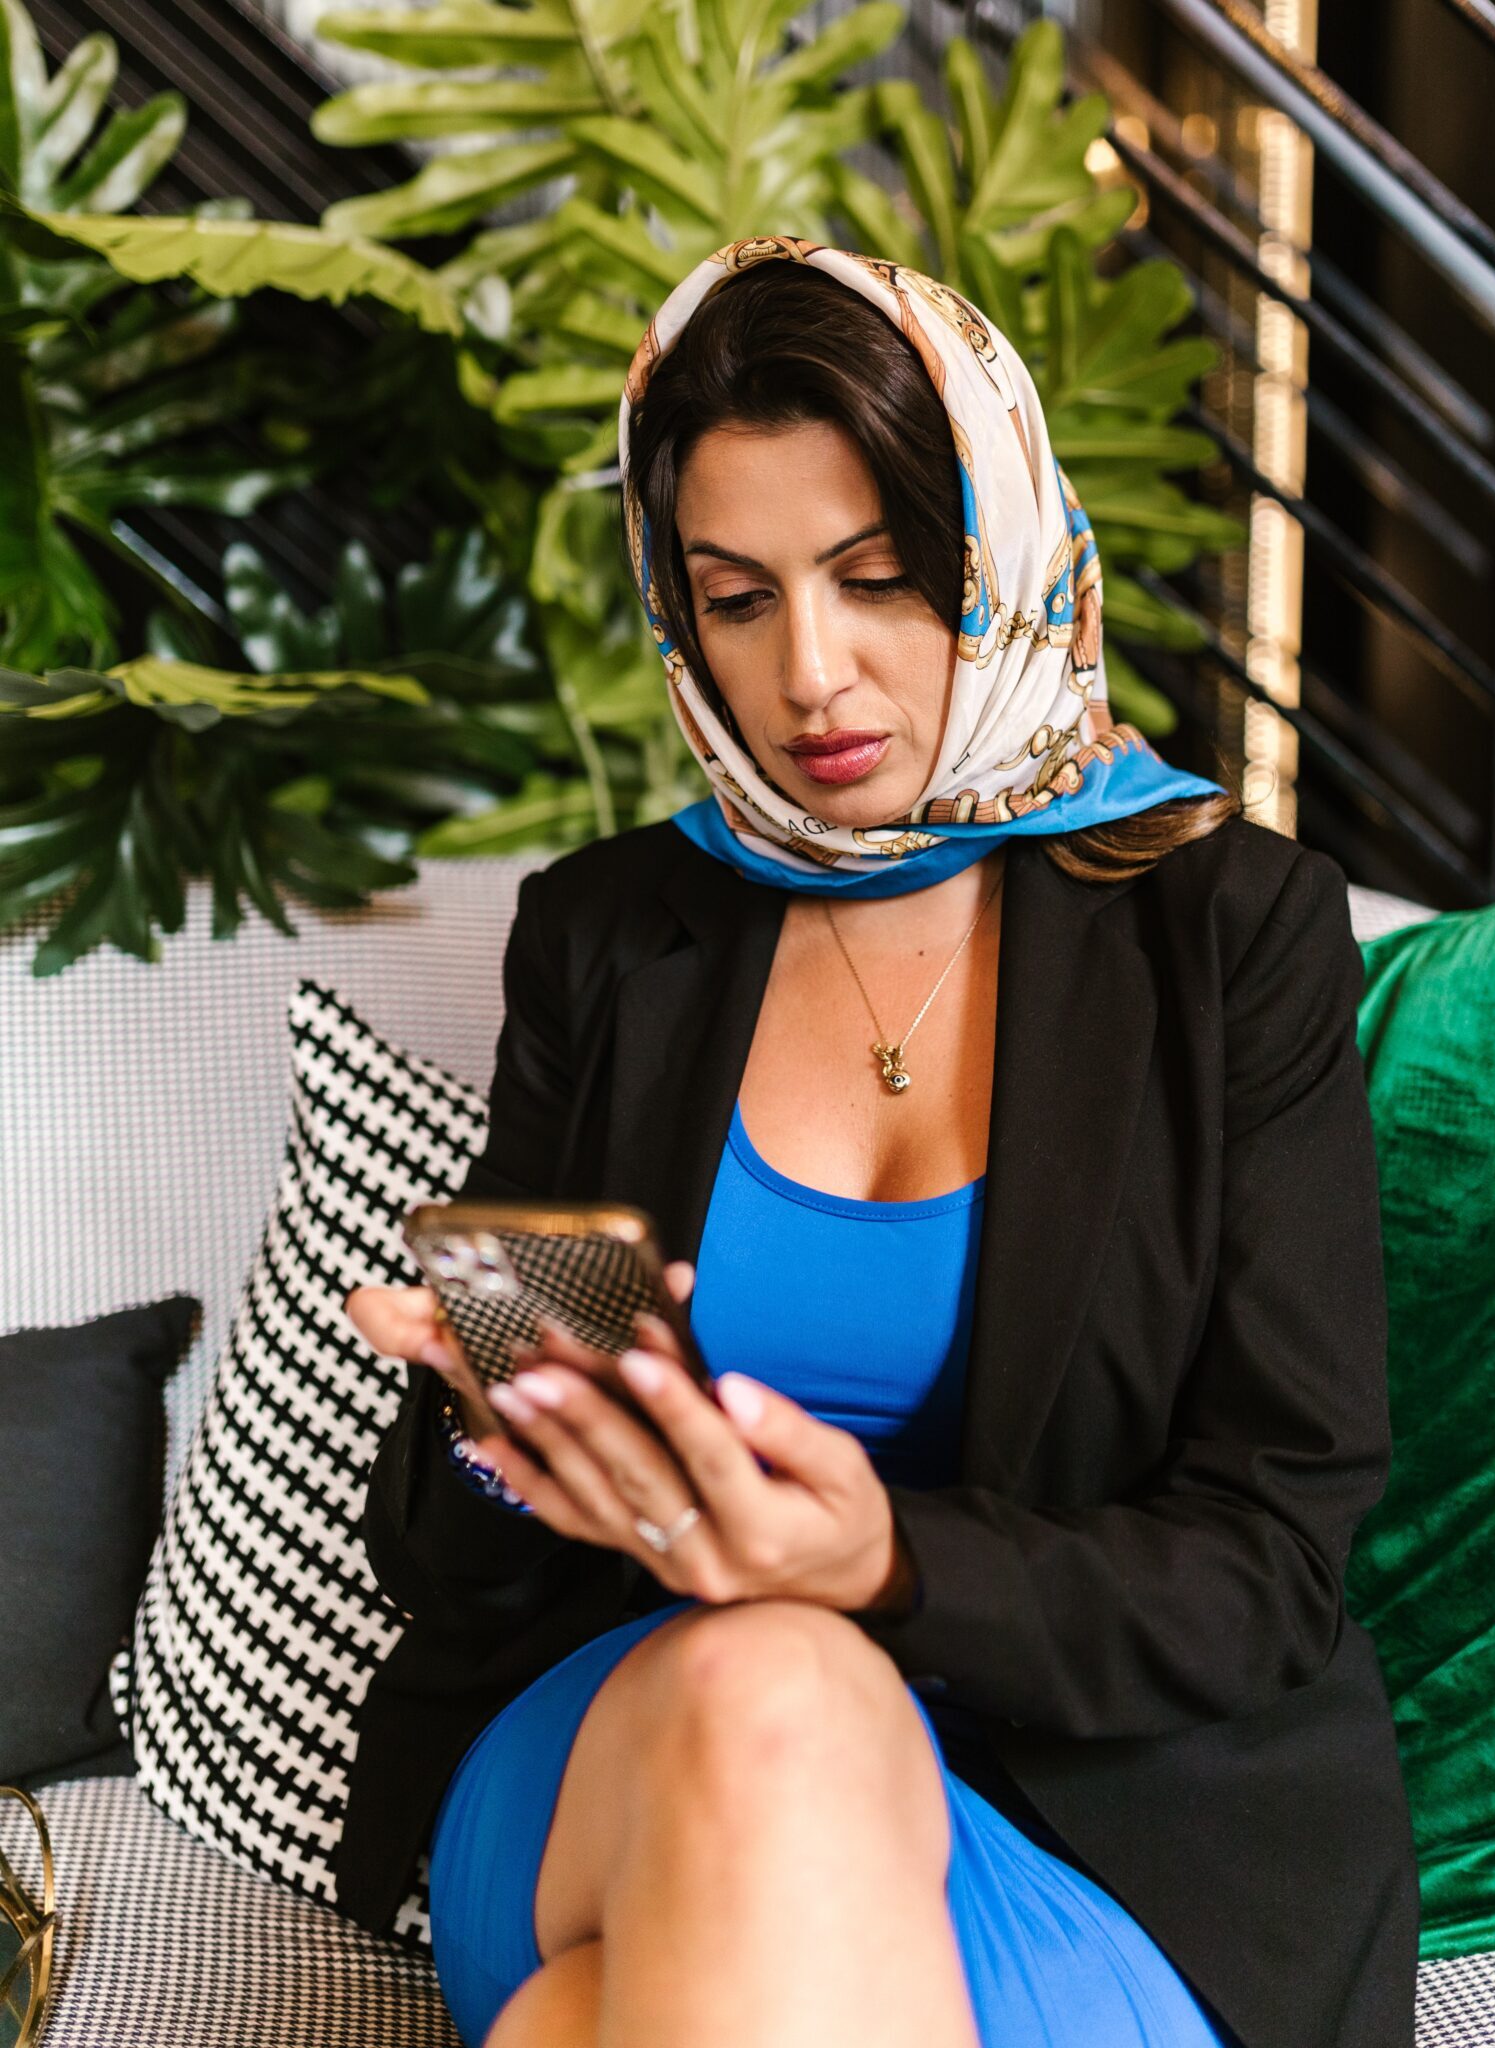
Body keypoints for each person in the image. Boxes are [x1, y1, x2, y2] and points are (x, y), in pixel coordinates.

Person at [335, 237, 1419, 2048]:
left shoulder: (1229, 932)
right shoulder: (610, 935)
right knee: (769, 1691)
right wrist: (508, 1427)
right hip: (642, 1730)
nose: (810, 675)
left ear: (997, 553)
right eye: (736, 599)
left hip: (1110, 1812)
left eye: (879, 578)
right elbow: (461, 1565)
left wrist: (883, 1567)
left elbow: (1265, 1562)